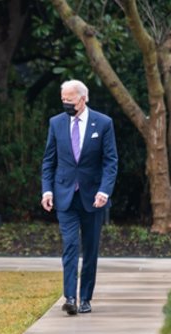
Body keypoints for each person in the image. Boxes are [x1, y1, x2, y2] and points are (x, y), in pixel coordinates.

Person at [41, 79, 118, 315]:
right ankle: (70, 298)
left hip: (93, 197)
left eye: (70, 100)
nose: (65, 103)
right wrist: (47, 190)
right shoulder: (56, 123)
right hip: (65, 196)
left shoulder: (103, 123)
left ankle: (86, 297)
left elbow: (110, 161)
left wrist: (104, 191)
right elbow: (49, 160)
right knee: (71, 246)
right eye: (63, 99)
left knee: (91, 249)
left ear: (83, 99)